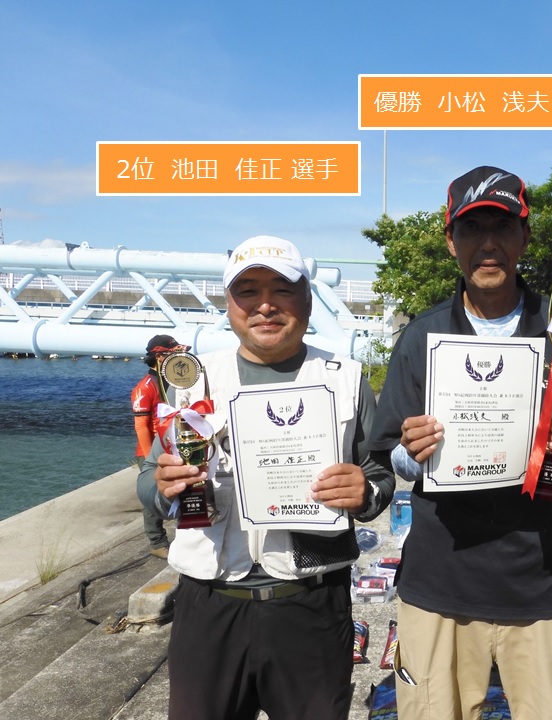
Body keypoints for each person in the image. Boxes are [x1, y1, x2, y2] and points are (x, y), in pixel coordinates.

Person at [368, 166, 552, 720]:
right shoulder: (422, 334)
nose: (487, 243)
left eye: (502, 227)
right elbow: (392, 455)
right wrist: (417, 450)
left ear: (524, 236)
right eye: (472, 228)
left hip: (541, 579)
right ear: (450, 240)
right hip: (440, 582)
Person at [137, 235, 394, 720]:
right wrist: (165, 488)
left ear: (308, 299)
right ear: (228, 303)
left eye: (282, 289)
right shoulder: (195, 380)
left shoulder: (346, 378)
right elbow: (149, 480)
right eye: (248, 291)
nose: (265, 305)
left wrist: (364, 493)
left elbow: (379, 476)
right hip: (209, 602)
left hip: (312, 601)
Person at [131, 334, 189, 558]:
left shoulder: (175, 382)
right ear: (160, 357)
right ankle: (156, 542)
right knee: (153, 494)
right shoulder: (145, 387)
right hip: (152, 451)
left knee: (182, 490)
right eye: (173, 354)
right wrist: (149, 460)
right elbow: (141, 426)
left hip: (175, 446)